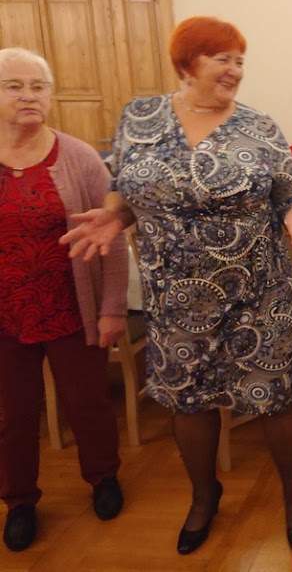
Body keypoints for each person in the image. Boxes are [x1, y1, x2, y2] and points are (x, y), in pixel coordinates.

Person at [59, 17, 292, 555]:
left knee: (276, 399)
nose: (234, 71)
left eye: (240, 61)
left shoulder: (258, 127)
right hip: (174, 294)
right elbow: (125, 186)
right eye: (222, 59)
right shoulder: (141, 117)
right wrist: (115, 215)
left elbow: (287, 192)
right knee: (188, 400)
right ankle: (204, 498)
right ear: (187, 62)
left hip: (257, 291)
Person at [0, 48, 127, 552]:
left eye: (38, 86)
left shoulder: (78, 157)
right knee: (11, 415)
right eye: (14, 86)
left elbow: (112, 238)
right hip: (5, 316)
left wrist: (112, 307)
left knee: (88, 403)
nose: (28, 95)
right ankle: (19, 502)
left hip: (72, 308)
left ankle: (104, 477)